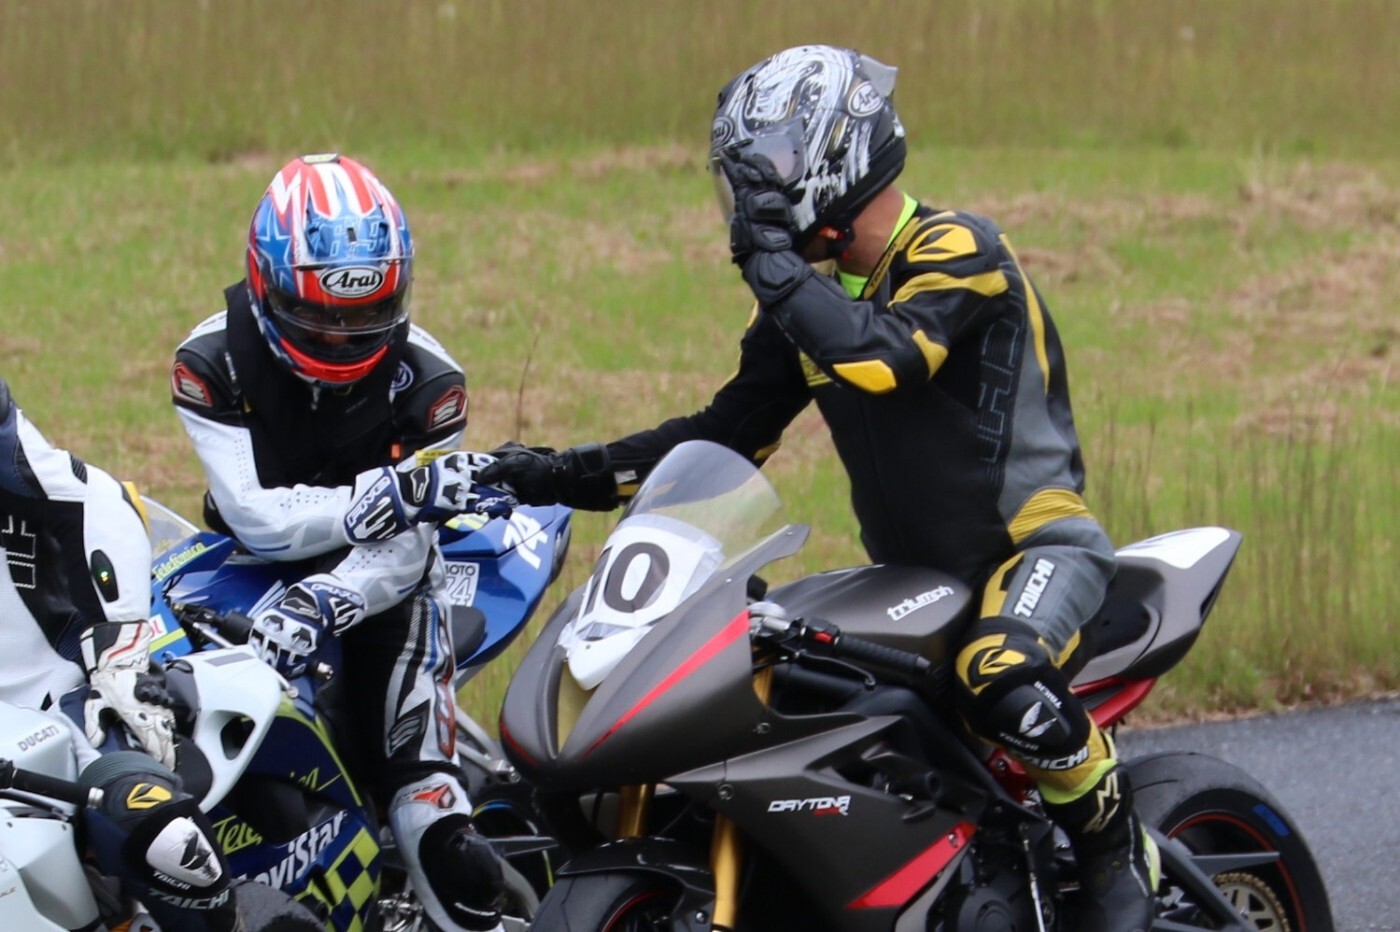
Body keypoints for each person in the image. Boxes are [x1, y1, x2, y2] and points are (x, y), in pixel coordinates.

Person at [479, 45, 1157, 932]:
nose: (745, 207)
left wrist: (775, 267)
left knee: (997, 671)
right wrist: (564, 473)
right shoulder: (810, 305)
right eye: (739, 185)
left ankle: (1117, 856)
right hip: (916, 580)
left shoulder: (959, 249)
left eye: (763, 175)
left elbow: (884, 357)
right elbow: (722, 436)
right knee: (790, 685)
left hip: (1036, 551)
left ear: (832, 158)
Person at [170, 153, 506, 931]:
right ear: (265, 282)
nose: (344, 333)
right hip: (243, 571)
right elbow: (256, 515)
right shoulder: (209, 363)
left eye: (365, 312)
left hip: (390, 592)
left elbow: (407, 549)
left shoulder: (433, 383)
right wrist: (383, 498)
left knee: (431, 820)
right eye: (320, 313)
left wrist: (326, 597)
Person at [0, 377, 239, 929]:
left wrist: (119, 657)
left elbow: (99, 503)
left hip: (60, 708)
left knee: (164, 838)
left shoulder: (14, 458)